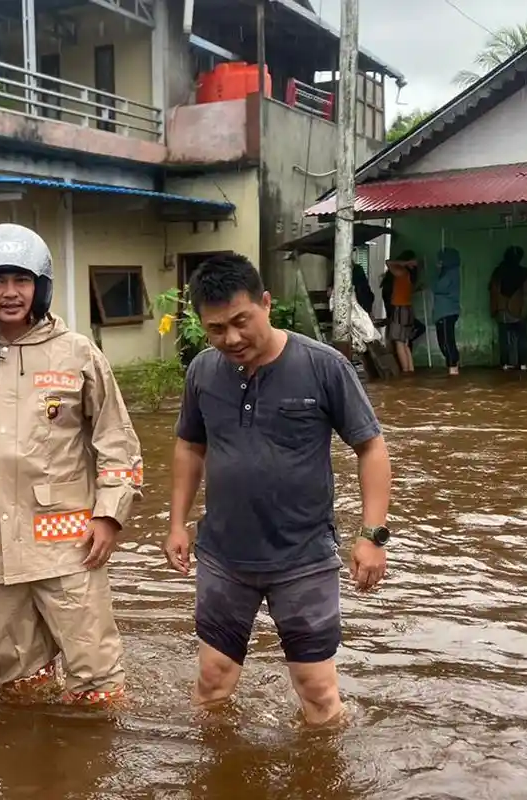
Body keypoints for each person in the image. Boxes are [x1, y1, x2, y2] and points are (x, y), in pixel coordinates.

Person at [0, 223, 144, 706]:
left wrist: (109, 516)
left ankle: (89, 776)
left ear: (40, 285)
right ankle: (26, 777)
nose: (10, 293)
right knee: (9, 687)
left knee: (95, 682)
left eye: (21, 280)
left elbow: (117, 443)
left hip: (68, 548)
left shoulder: (78, 353)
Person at [163, 253, 392, 725]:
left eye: (241, 321)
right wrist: (177, 523)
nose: (231, 339)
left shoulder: (323, 366)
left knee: (318, 693)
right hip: (224, 556)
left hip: (303, 558)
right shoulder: (203, 372)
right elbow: (190, 446)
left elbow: (371, 448)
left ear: (267, 304)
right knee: (212, 682)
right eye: (215, 329)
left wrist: (372, 536)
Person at [489, 246, 527, 370]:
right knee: (522, 337)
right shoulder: (523, 272)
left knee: (504, 338)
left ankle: (504, 363)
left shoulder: (498, 271)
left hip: (501, 310)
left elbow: (492, 289)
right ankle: (523, 364)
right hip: (517, 309)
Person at [382, 250, 419, 373]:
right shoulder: (411, 274)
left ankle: (405, 372)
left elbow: (388, 263)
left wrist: (405, 263)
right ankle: (410, 371)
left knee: (399, 342)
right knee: (405, 343)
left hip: (400, 309)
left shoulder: (402, 272)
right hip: (408, 309)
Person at [432, 247, 463, 376]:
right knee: (445, 341)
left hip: (446, 312)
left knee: (446, 341)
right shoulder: (451, 272)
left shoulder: (450, 273)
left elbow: (438, 287)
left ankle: (453, 367)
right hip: (445, 312)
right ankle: (453, 366)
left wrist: (435, 272)